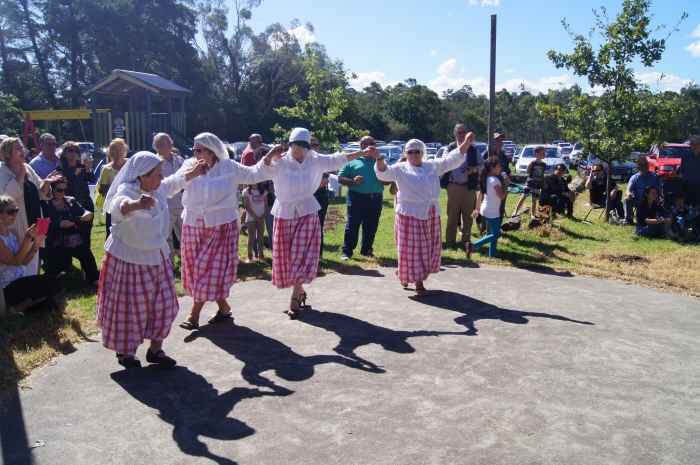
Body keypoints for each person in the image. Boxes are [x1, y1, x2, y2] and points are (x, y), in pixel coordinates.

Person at [97, 152, 207, 368]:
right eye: (157, 174)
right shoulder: (126, 191)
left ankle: (155, 351)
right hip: (129, 259)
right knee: (129, 309)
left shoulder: (157, 188)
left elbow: (173, 182)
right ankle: (126, 353)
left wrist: (192, 174)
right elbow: (120, 206)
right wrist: (136, 204)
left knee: (166, 305)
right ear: (141, 176)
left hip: (157, 257)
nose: (160, 178)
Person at [262, 127, 373, 316]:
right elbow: (259, 172)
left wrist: (361, 153)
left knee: (301, 253)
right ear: (289, 143)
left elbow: (338, 159)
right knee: (285, 256)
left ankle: (295, 298)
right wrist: (269, 157)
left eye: (304, 146)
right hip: (284, 211)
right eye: (296, 145)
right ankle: (300, 291)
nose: (299, 150)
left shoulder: (315, 159)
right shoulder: (279, 161)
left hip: (306, 210)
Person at [177, 133, 277, 330]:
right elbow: (176, 182)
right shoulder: (189, 165)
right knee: (195, 270)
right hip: (192, 223)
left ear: (212, 152)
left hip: (221, 225)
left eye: (199, 150)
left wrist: (269, 157)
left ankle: (194, 314)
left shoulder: (229, 167)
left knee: (206, 269)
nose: (195, 154)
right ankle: (223, 307)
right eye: (194, 150)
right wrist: (190, 174)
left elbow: (255, 174)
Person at [375, 136, 473, 297]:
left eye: (417, 151)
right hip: (410, 214)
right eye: (410, 152)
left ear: (422, 152)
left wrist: (466, 143)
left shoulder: (432, 166)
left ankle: (404, 270)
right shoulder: (401, 168)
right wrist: (379, 158)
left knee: (428, 248)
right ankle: (418, 283)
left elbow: (452, 159)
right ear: (405, 153)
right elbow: (384, 173)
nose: (414, 154)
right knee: (414, 248)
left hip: (430, 212)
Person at [0, 138, 61, 276]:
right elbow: (5, 195)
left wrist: (46, 183)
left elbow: (41, 191)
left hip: (33, 219)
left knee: (33, 258)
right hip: (16, 223)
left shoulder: (28, 168)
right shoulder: (2, 171)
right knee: (19, 260)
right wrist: (21, 171)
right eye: (17, 148)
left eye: (22, 147)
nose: (22, 151)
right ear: (7, 152)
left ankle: (34, 292)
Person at [0, 195, 63, 314]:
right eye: (10, 211)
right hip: (6, 288)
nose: (15, 214)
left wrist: (35, 246)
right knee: (56, 282)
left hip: (19, 282)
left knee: (50, 307)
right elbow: (16, 261)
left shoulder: (12, 233)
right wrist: (28, 238)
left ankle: (17, 307)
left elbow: (24, 261)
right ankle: (17, 308)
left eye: (16, 210)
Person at [41, 180, 100, 285]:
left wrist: (86, 215)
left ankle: (95, 279)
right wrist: (59, 224)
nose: (63, 193)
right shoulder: (45, 203)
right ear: (51, 190)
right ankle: (47, 280)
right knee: (64, 258)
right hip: (54, 241)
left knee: (86, 253)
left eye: (65, 190)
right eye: (59, 190)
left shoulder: (70, 200)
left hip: (74, 239)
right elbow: (42, 225)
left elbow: (85, 212)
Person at [338, 135, 385, 259]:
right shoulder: (353, 160)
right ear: (363, 146)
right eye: (370, 143)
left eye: (374, 143)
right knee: (353, 224)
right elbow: (340, 178)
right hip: (356, 197)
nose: (373, 145)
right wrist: (353, 181)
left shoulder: (379, 160)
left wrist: (385, 180)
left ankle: (367, 249)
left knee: (371, 225)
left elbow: (388, 176)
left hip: (376, 198)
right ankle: (347, 251)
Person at [444, 124, 482, 247]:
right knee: (452, 215)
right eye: (459, 133)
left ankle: (466, 240)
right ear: (455, 135)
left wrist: (474, 169)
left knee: (468, 215)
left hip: (468, 186)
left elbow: (483, 165)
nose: (461, 135)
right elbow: (443, 163)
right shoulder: (450, 148)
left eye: (464, 132)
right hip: (453, 185)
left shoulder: (474, 149)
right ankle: (450, 241)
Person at [467, 157, 511, 259]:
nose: (500, 168)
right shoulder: (494, 180)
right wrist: (507, 184)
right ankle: (472, 246)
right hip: (491, 210)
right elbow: (502, 196)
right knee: (497, 234)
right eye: (499, 166)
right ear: (492, 167)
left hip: (486, 209)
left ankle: (492, 254)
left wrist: (477, 209)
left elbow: (480, 195)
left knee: (493, 232)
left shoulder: (486, 178)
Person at [56, 141, 95, 248]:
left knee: (86, 233)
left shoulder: (82, 167)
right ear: (64, 154)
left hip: (86, 204)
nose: (74, 153)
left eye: (76, 151)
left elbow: (91, 179)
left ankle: (87, 259)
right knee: (70, 234)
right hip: (70, 206)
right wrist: (74, 175)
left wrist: (88, 170)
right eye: (70, 150)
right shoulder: (61, 170)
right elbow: (62, 186)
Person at [154, 133, 185, 264]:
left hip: (183, 205)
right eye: (164, 141)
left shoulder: (179, 160)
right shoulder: (155, 163)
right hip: (166, 206)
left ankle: (188, 264)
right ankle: (168, 265)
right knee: (165, 238)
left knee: (187, 237)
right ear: (157, 146)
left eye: (169, 140)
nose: (168, 143)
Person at [97, 139, 128, 239]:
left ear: (125, 151)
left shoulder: (131, 164)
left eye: (121, 149)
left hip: (130, 202)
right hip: (113, 204)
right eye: (115, 149)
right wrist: (117, 189)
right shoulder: (106, 169)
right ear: (110, 152)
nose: (118, 152)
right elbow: (102, 189)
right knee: (111, 231)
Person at [512, 145, 547, 221]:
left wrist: (544, 183)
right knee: (523, 197)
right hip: (530, 183)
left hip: (537, 185)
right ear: (537, 154)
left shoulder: (544, 164)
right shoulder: (532, 163)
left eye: (545, 153)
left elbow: (542, 175)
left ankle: (533, 214)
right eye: (543, 153)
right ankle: (516, 211)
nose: (544, 154)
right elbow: (528, 171)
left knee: (534, 200)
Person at [625, 157, 662, 225]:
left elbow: (662, 189)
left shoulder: (655, 176)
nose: (645, 167)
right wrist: (629, 194)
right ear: (638, 168)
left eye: (646, 165)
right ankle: (628, 219)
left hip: (653, 201)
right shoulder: (635, 178)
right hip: (639, 201)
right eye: (642, 165)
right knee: (627, 199)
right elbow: (628, 190)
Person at [311, 137, 331, 258]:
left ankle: (318, 253)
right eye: (314, 145)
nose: (317, 147)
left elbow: (324, 181)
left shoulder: (321, 160)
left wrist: (309, 183)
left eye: (317, 145)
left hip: (320, 197)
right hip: (306, 198)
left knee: (318, 225)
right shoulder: (302, 161)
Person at [255, 146, 275, 251]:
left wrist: (275, 188)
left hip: (271, 204)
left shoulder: (273, 170)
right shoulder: (254, 171)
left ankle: (274, 251)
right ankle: (257, 253)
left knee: (272, 230)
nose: (263, 160)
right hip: (256, 206)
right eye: (260, 158)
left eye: (265, 157)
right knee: (256, 230)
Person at [243, 182, 268, 262]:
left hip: (261, 218)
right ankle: (250, 256)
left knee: (260, 238)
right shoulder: (246, 192)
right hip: (251, 219)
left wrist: (262, 217)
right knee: (251, 237)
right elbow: (246, 205)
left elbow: (266, 205)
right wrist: (256, 217)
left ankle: (261, 255)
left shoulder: (263, 191)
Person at [680, 135, 700, 207]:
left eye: (697, 143)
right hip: (686, 187)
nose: (695, 146)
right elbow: (683, 170)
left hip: (698, 188)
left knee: (697, 212)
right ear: (690, 145)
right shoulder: (685, 157)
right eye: (693, 144)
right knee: (684, 209)